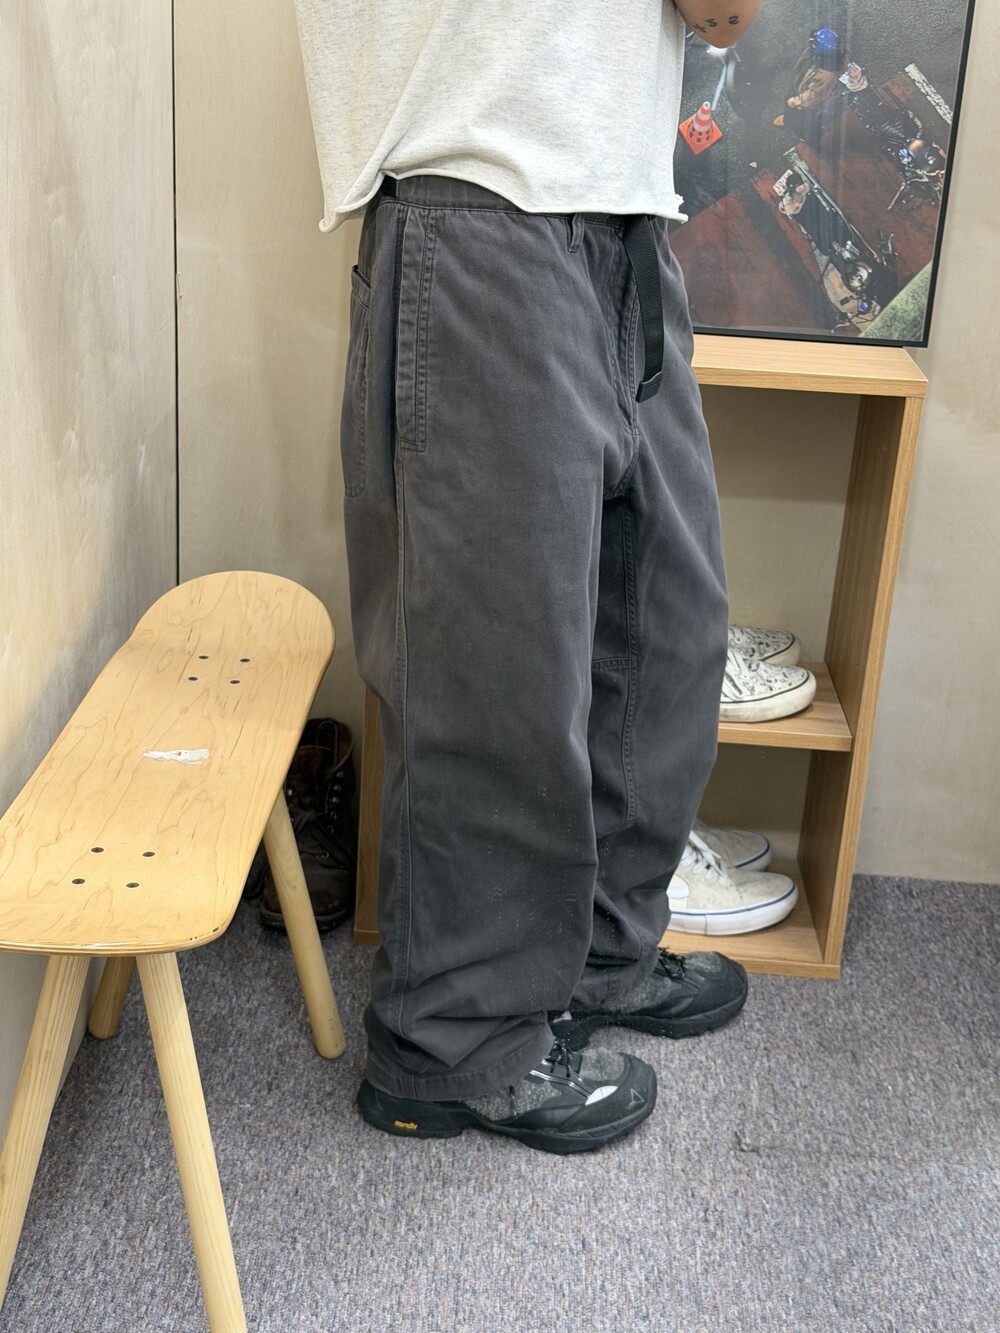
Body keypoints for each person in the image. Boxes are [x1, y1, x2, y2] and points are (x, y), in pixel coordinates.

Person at [292, 0, 762, 1155]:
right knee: (495, 674)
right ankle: (452, 1042)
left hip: (620, 208)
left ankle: (594, 956)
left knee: (664, 628)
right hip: (483, 194)